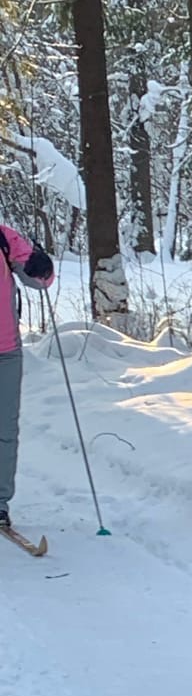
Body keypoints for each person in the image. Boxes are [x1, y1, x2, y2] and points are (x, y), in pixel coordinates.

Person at [0, 222, 56, 529]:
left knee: (4, 431)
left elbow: (40, 280)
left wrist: (42, 265)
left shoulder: (4, 237)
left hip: (5, 351)